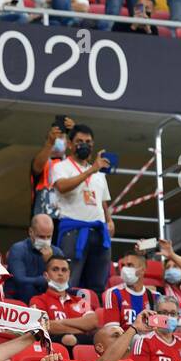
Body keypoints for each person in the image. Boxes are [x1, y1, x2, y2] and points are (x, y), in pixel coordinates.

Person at [49, 124, 113, 292]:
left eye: (88, 141)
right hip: (73, 231)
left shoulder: (99, 173)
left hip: (99, 231)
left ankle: (96, 315)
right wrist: (91, 170)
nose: (84, 144)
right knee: (71, 280)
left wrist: (109, 220)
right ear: (70, 144)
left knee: (98, 284)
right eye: (79, 141)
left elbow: (102, 200)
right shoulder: (61, 167)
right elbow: (62, 186)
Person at [30, 253, 97, 349]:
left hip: (81, 342)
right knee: (68, 339)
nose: (60, 273)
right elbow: (43, 326)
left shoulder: (80, 300)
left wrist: (59, 323)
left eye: (64, 270)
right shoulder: (38, 300)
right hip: (53, 344)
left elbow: (92, 322)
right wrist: (81, 328)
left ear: (69, 274)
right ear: (46, 275)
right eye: (55, 269)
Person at [3, 214, 62, 303]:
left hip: (47, 303)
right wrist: (43, 280)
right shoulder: (18, 249)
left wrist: (50, 262)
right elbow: (20, 279)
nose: (45, 241)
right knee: (27, 287)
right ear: (31, 232)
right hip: (19, 300)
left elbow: (64, 282)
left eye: (49, 237)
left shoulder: (57, 252)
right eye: (41, 237)